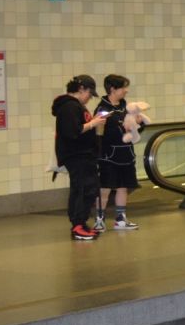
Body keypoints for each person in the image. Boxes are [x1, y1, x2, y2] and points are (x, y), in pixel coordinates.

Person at [52, 75, 105, 242]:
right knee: (83, 188)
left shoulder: (75, 106)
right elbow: (73, 131)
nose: (89, 98)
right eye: (89, 93)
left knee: (87, 188)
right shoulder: (69, 107)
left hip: (83, 155)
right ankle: (78, 224)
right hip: (77, 155)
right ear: (81, 89)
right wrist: (93, 123)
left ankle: (80, 223)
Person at [93, 73, 145, 230]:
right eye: (123, 87)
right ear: (112, 89)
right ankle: (99, 219)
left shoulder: (126, 107)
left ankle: (121, 219)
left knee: (123, 187)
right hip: (108, 155)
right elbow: (99, 133)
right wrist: (122, 128)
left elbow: (134, 131)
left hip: (126, 154)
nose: (126, 90)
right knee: (105, 188)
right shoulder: (102, 109)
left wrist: (138, 124)